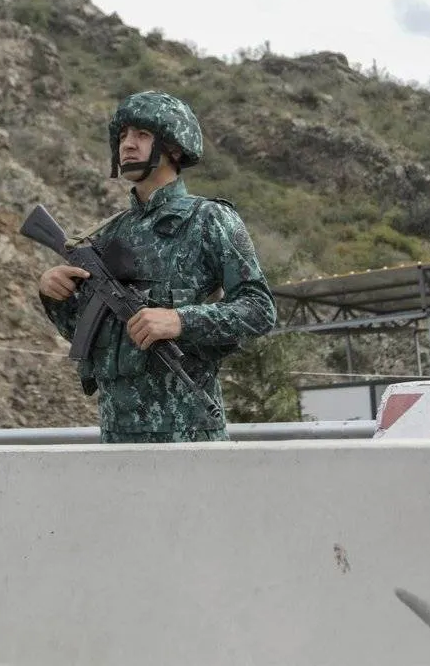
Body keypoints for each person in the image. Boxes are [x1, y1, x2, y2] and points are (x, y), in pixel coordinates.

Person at [37, 91, 277, 443]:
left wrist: (180, 320)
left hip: (189, 435)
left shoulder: (209, 220)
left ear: (174, 147)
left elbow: (259, 309)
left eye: (142, 134)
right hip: (116, 435)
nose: (127, 144)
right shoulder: (111, 233)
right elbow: (87, 335)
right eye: (123, 135)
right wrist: (56, 296)